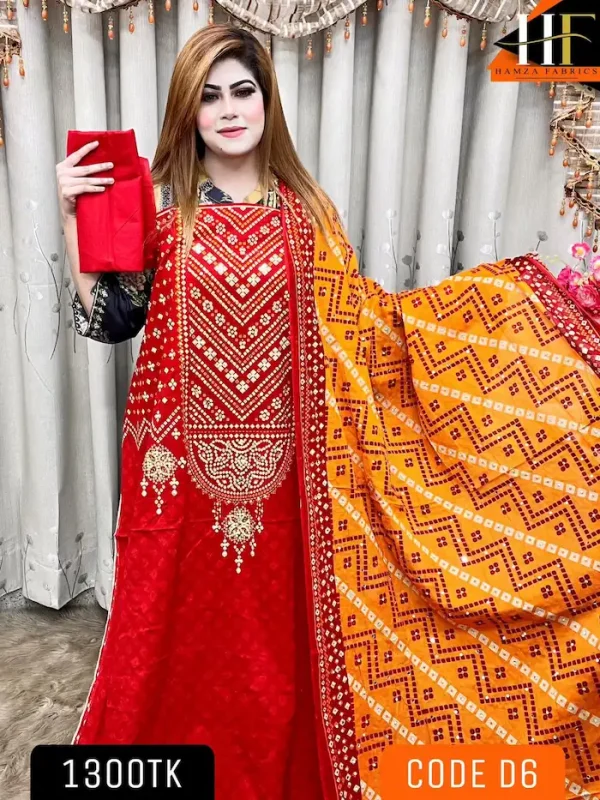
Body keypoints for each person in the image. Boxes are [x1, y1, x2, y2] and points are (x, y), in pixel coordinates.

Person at [56, 23, 600, 800]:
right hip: (178, 484)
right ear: (189, 112)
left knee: (281, 656)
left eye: (243, 91)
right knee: (177, 648)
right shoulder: (163, 210)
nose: (229, 109)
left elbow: (370, 335)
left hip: (295, 483)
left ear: (267, 101)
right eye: (209, 96)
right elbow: (114, 320)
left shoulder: (310, 213)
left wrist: (501, 324)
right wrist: (75, 218)